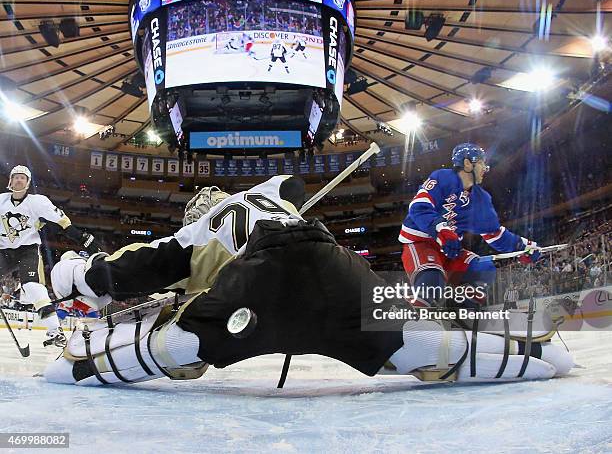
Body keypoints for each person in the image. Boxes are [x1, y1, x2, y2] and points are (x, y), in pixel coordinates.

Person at [45, 175, 573, 386]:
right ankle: (541, 352)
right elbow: (294, 186)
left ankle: (81, 368)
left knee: (179, 345)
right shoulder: (272, 190)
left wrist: (78, 276)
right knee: (422, 347)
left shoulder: (199, 232)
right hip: (329, 259)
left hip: (258, 283)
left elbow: (137, 266)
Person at [398, 143, 541, 307]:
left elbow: (496, 235)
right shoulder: (442, 177)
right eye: (481, 163)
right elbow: (419, 207)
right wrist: (442, 230)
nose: (485, 168)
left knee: (484, 268)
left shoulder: (482, 199)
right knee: (432, 282)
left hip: (450, 249)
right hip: (421, 243)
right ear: (467, 163)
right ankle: (413, 317)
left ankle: (463, 310)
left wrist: (523, 247)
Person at [0, 165, 101, 347]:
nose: (19, 180)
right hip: (3, 251)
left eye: (23, 178)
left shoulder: (37, 202)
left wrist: (79, 236)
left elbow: (61, 220)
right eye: (16, 177)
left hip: (27, 250)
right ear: (10, 181)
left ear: (28, 183)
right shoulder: (1, 200)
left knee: (32, 287)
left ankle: (55, 331)